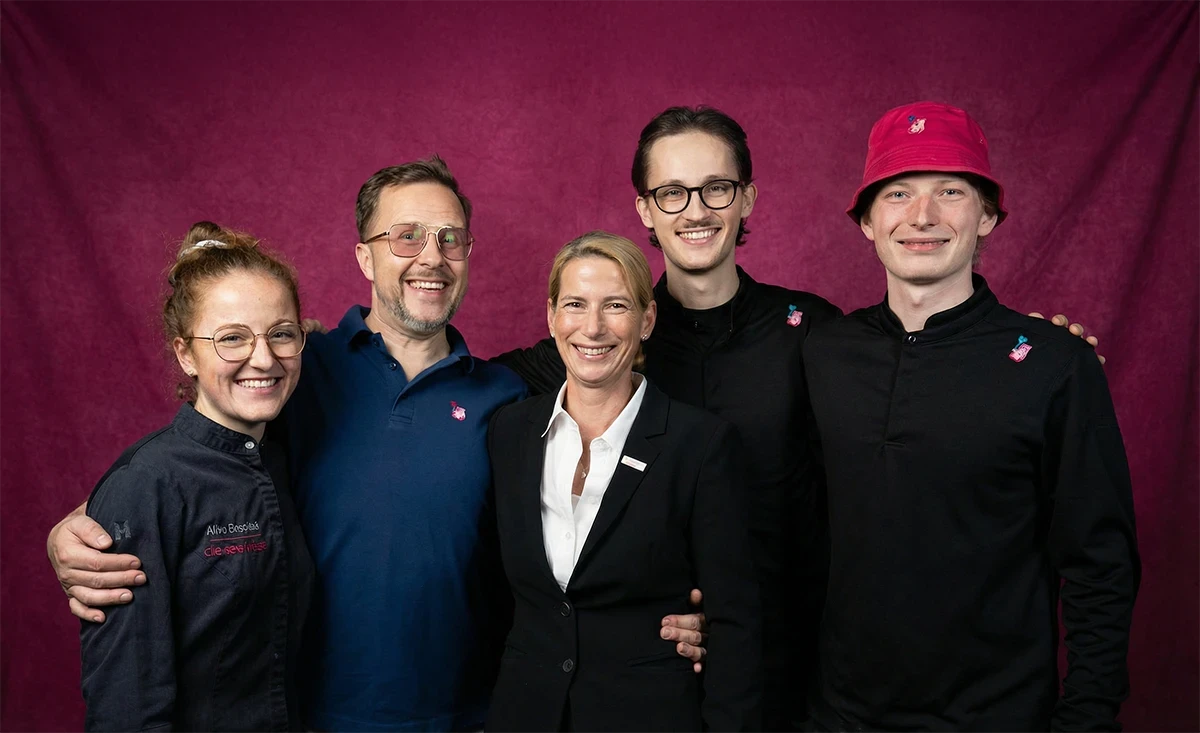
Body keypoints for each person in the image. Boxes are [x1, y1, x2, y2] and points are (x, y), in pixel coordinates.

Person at [49, 158, 705, 733]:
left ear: (469, 256)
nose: (431, 256)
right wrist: (96, 520)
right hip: (319, 714)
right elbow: (205, 456)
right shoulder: (300, 368)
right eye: (405, 236)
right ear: (363, 255)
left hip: (475, 713)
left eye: (451, 239)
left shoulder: (508, 397)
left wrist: (669, 612)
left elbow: (593, 519)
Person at [803, 102, 1140, 732]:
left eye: (950, 191)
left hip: (1000, 717)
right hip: (837, 717)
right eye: (897, 193)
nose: (921, 216)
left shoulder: (1054, 364)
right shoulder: (822, 352)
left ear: (986, 215)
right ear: (867, 222)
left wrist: (1087, 719)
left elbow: (1101, 564)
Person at [486, 231, 762, 733]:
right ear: (551, 317)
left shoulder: (700, 445)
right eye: (574, 304)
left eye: (615, 305)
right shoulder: (510, 432)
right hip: (523, 712)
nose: (592, 327)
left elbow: (736, 625)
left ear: (647, 319)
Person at [79, 222, 315, 731]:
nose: (263, 358)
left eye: (281, 334)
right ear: (186, 354)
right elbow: (127, 706)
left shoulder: (285, 457)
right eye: (232, 338)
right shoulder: (147, 485)